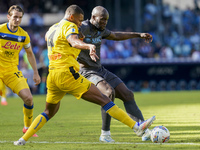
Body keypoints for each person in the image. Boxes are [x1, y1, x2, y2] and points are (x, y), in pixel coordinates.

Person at [14, 5, 155, 145]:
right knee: (106, 97)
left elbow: (47, 38)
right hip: (72, 73)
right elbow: (73, 41)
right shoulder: (73, 27)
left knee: (48, 112)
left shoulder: (53, 28)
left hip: (54, 75)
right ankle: (133, 128)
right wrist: (88, 46)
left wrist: (138, 34)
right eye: (79, 20)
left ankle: (23, 139)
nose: (80, 23)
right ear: (72, 17)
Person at [77, 6, 153, 142]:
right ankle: (105, 134)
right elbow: (68, 38)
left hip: (99, 69)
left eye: (106, 20)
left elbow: (116, 35)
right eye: (102, 20)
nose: (104, 23)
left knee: (127, 94)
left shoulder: (100, 30)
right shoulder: (81, 28)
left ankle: (144, 131)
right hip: (85, 71)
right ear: (93, 17)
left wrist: (138, 35)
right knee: (108, 92)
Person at [0, 5, 41, 136]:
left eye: (20, 18)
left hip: (12, 71)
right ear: (8, 17)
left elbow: (29, 53)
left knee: (29, 98)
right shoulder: (0, 30)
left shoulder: (24, 35)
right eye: (15, 17)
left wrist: (35, 72)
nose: (17, 20)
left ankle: (27, 128)